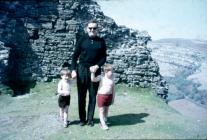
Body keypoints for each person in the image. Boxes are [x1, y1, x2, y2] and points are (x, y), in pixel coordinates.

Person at [71, 20, 107, 126]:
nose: (92, 30)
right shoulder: (82, 39)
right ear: (87, 28)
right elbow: (74, 56)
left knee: (92, 96)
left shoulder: (101, 41)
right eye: (90, 28)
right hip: (82, 70)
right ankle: (82, 119)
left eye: (94, 28)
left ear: (97, 29)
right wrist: (73, 70)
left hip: (95, 71)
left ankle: (90, 119)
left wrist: (97, 66)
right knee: (81, 96)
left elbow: (104, 57)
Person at [90, 64, 115, 130]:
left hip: (109, 96)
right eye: (111, 71)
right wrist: (92, 73)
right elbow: (93, 79)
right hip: (101, 96)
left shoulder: (112, 79)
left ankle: (104, 119)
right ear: (106, 71)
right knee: (101, 110)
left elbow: (113, 90)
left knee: (106, 109)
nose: (112, 73)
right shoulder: (101, 77)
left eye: (112, 71)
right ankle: (103, 124)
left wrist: (113, 98)